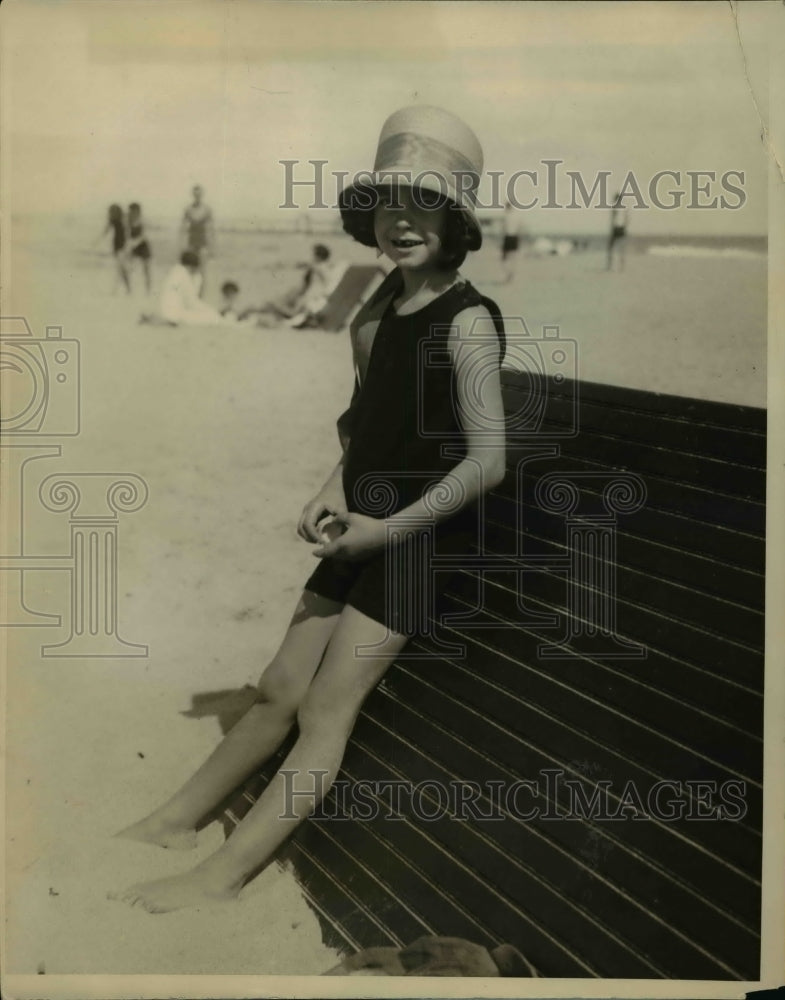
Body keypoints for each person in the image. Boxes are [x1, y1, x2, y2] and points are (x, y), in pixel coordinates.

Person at [110, 105, 506, 914]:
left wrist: (387, 527)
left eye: (421, 205)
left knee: (326, 706)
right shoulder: (372, 314)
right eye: (387, 205)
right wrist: (330, 490)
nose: (401, 222)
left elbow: (487, 460)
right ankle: (176, 820)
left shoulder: (465, 320)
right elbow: (363, 431)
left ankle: (220, 879)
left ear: (455, 221)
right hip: (361, 525)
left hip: (423, 541)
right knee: (277, 686)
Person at [239, 244, 345, 328]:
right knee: (267, 305)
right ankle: (247, 312)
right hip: (296, 304)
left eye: (313, 254)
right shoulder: (319, 269)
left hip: (295, 309)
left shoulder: (320, 269)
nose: (311, 257)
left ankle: (245, 312)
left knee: (268, 305)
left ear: (318, 256)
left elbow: (327, 280)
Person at [139, 251, 225, 326]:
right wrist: (211, 310)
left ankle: (155, 319)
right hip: (175, 315)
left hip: (167, 312)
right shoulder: (184, 275)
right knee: (212, 317)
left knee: (209, 315)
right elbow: (192, 302)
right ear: (191, 266)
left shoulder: (175, 271)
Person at [179, 184, 215, 293]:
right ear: (193, 195)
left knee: (202, 271)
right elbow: (183, 228)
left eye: (199, 194)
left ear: (202, 195)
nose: (197, 196)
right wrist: (182, 246)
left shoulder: (207, 209)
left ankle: (200, 296)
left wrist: (212, 247)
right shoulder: (188, 209)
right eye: (195, 194)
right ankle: (191, 294)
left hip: (203, 243)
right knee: (190, 270)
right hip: (191, 242)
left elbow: (211, 229)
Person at [97, 204, 131, 294]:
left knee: (121, 268)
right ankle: (125, 289)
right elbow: (106, 230)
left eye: (111, 212)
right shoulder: (117, 220)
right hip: (118, 245)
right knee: (121, 268)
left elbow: (127, 232)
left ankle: (124, 289)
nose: (110, 213)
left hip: (120, 245)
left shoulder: (121, 220)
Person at [127, 203, 152, 294]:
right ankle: (130, 289)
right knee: (129, 267)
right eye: (130, 211)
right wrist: (129, 244)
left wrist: (134, 243)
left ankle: (148, 290)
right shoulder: (129, 220)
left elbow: (144, 236)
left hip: (143, 246)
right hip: (134, 246)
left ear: (138, 211)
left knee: (146, 269)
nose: (131, 213)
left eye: (133, 211)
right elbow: (127, 234)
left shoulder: (142, 220)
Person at [606, 191, 629, 271]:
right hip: (622, 228)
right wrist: (625, 228)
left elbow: (613, 219)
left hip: (616, 228)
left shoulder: (615, 207)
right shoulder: (625, 207)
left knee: (611, 248)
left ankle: (610, 266)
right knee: (621, 248)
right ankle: (621, 267)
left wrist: (611, 228)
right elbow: (627, 219)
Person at [500, 201, 521, 283]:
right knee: (513, 258)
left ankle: (509, 274)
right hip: (515, 237)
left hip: (508, 237)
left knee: (504, 258)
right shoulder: (516, 217)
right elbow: (520, 228)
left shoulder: (506, 217)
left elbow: (503, 229)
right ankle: (512, 275)